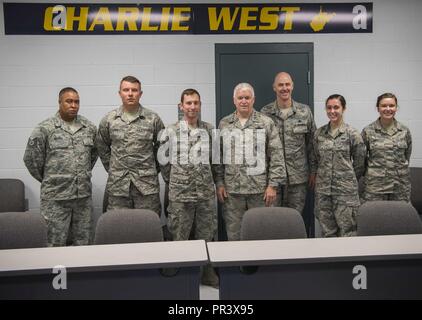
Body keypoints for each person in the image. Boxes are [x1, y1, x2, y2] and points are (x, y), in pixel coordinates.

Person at [23, 87, 97, 246]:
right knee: (54, 243)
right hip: (56, 198)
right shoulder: (45, 128)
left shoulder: (89, 128)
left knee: (84, 242)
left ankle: (82, 270)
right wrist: (50, 179)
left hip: (82, 198)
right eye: (69, 101)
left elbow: (93, 156)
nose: (73, 105)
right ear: (59, 103)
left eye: (76, 102)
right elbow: (31, 160)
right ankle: (58, 271)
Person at [160, 88, 218, 287]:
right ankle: (179, 275)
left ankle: (208, 274)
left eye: (196, 103)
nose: (192, 107)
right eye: (189, 103)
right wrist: (176, 180)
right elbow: (163, 163)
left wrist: (214, 183)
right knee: (179, 236)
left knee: (207, 235)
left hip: (205, 194)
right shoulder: (170, 131)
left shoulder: (210, 131)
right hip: (180, 195)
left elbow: (216, 162)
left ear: (200, 105)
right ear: (181, 106)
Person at [216, 83, 286, 241]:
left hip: (260, 192)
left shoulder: (266, 123)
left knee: (262, 234)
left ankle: (260, 266)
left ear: (253, 100)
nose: (244, 101)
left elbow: (276, 155)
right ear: (234, 100)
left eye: (247, 98)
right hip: (232, 193)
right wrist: (219, 183)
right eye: (240, 98)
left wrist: (273, 185)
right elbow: (218, 157)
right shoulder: (224, 123)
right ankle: (239, 266)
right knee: (234, 235)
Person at [96, 76, 165, 214]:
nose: (130, 93)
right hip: (118, 186)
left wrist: (150, 170)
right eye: (126, 90)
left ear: (140, 93)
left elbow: (163, 148)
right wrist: (113, 168)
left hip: (146, 186)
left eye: (134, 90)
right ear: (120, 93)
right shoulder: (109, 119)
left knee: (148, 228)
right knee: (118, 228)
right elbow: (102, 145)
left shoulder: (153, 119)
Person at [261, 72, 316, 214]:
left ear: (292, 86)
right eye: (280, 85)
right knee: (273, 219)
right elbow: (261, 148)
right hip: (273, 180)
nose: (284, 88)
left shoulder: (304, 112)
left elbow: (312, 144)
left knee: (295, 218)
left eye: (287, 84)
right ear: (274, 87)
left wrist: (313, 171)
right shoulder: (265, 113)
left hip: (298, 179)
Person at [313, 94, 366, 237]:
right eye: (329, 108)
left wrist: (347, 179)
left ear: (344, 109)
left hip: (345, 193)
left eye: (336, 107)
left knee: (348, 231)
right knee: (327, 232)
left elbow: (360, 163)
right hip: (324, 192)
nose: (332, 111)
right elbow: (316, 158)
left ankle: (350, 260)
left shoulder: (352, 134)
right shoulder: (319, 134)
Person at [361, 93, 412, 202]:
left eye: (392, 105)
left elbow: (406, 156)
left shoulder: (404, 131)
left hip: (400, 185)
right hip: (375, 186)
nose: (388, 109)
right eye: (384, 106)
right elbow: (362, 159)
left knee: (400, 217)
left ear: (396, 108)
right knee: (374, 217)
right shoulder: (367, 131)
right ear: (378, 108)